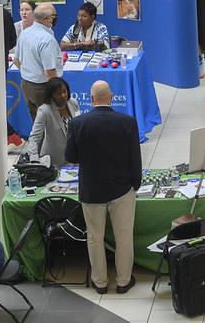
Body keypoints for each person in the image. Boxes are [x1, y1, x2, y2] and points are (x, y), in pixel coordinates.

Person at [65, 81, 141, 294]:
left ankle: (100, 282)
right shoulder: (127, 122)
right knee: (123, 237)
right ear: (111, 97)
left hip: (92, 189)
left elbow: (71, 156)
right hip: (122, 188)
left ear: (91, 99)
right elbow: (135, 158)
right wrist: (135, 184)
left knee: (95, 237)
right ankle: (123, 281)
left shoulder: (78, 123)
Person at [12, 3, 62, 122]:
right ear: (49, 18)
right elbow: (49, 73)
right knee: (51, 125)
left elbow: (16, 61)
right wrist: (58, 92)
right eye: (54, 16)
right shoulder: (47, 40)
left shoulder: (25, 33)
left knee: (37, 125)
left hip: (26, 85)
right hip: (42, 88)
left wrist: (29, 74)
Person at [28, 76, 80, 167]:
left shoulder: (73, 103)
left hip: (75, 158)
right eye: (58, 93)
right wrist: (34, 159)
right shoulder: (44, 110)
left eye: (64, 91)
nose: (63, 95)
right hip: (54, 161)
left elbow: (79, 127)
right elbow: (34, 138)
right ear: (51, 95)